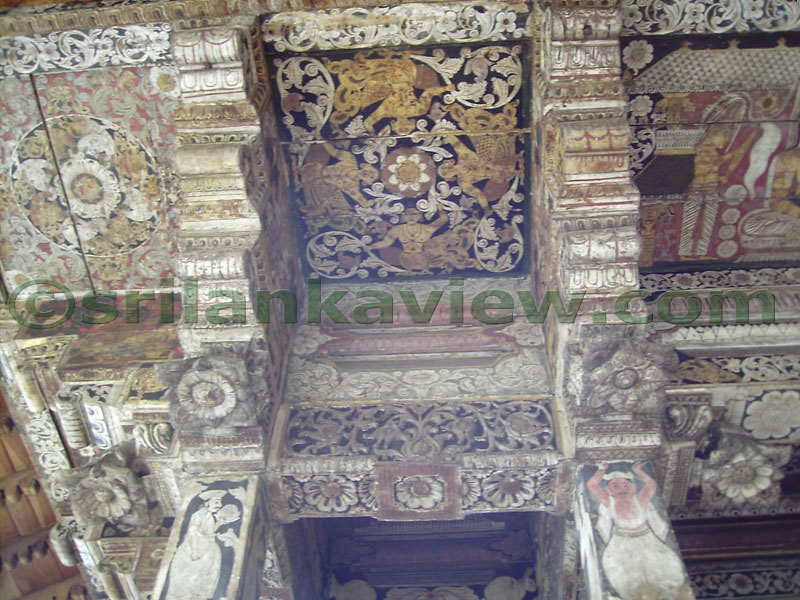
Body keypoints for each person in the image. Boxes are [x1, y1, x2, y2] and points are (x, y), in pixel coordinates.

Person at [586, 462, 694, 600]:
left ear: (634, 487)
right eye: (615, 486)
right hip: (621, 541)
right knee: (625, 573)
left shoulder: (640, 500)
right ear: (608, 490)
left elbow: (651, 486)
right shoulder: (609, 502)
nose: (622, 489)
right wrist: (601, 470)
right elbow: (591, 485)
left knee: (662, 568)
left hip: (646, 538)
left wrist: (638, 471)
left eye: (626, 485)